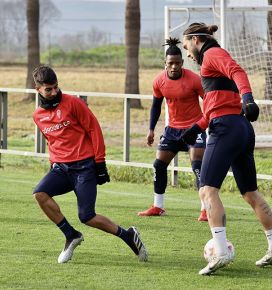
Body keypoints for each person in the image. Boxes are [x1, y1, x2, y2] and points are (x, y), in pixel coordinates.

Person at [180, 23, 272, 275]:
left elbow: (238, 71)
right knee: (250, 193)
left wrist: (249, 98)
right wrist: (196, 128)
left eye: (186, 47)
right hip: (239, 127)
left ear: (196, 40)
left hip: (227, 128)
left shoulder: (212, 54)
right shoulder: (212, 66)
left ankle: (221, 252)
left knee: (206, 190)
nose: (187, 54)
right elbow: (219, 105)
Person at [31, 65, 148, 264]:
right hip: (61, 168)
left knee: (87, 216)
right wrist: (53, 162)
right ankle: (71, 235)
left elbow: (94, 129)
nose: (54, 92)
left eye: (56, 87)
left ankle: (128, 235)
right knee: (40, 194)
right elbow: (51, 140)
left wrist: (100, 163)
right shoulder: (38, 116)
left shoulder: (73, 103)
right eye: (48, 89)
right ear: (38, 90)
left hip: (84, 167)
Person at [138, 37, 208, 222]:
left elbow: (208, 102)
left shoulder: (194, 80)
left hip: (194, 128)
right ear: (165, 64)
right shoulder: (159, 81)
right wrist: (151, 129)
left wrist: (207, 123)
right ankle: (158, 206)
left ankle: (206, 209)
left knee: (197, 166)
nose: (174, 66)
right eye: (171, 63)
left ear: (182, 63)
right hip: (172, 130)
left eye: (177, 63)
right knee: (158, 165)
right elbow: (155, 106)